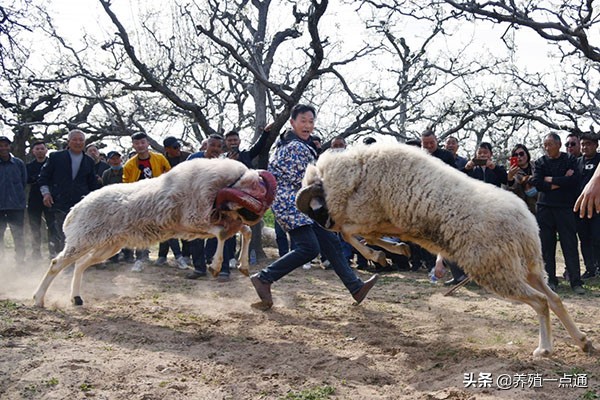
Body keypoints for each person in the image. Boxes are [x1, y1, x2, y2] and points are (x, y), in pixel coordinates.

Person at [250, 104, 379, 310]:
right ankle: (264, 278)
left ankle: (356, 287)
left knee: (331, 242)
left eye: (311, 121)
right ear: (292, 123)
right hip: (292, 204)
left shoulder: (301, 144)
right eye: (303, 121)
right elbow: (308, 180)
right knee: (309, 248)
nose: (308, 125)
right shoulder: (296, 147)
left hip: (305, 203)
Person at [529, 132, 584, 294]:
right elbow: (538, 183)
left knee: (570, 244)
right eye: (545, 145)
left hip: (565, 208)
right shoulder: (540, 162)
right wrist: (561, 180)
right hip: (545, 207)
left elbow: (574, 181)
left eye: (550, 145)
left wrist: (550, 179)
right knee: (546, 245)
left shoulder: (570, 160)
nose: (547, 148)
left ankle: (576, 281)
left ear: (559, 145)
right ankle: (551, 280)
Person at [39, 129, 99, 257]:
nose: (78, 142)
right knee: (63, 231)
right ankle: (63, 259)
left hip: (81, 203)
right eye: (75, 139)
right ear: (68, 141)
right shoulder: (56, 157)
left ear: (84, 142)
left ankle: (80, 259)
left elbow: (92, 184)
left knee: (81, 232)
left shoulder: (89, 161)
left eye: (81, 140)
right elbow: (43, 177)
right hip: (59, 201)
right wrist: (46, 194)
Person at [186, 134, 235, 282]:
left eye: (218, 147)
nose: (215, 149)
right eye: (212, 145)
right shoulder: (193, 159)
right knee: (195, 237)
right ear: (206, 145)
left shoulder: (224, 165)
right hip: (195, 204)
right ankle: (199, 268)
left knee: (220, 235)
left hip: (216, 206)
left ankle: (223, 269)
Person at [122, 132, 171, 272]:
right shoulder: (130, 164)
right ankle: (141, 258)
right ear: (133, 145)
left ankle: (165, 256)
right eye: (136, 143)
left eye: (142, 142)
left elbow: (169, 174)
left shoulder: (160, 158)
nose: (140, 146)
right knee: (140, 229)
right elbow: (126, 184)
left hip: (159, 198)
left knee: (166, 225)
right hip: (140, 201)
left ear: (148, 143)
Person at [156, 136, 191, 269]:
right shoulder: (160, 159)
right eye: (175, 147)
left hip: (185, 196)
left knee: (184, 225)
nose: (178, 149)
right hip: (165, 196)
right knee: (166, 226)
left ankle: (186, 254)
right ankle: (162, 255)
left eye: (179, 146)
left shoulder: (188, 157)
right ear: (167, 149)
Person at [26, 140, 56, 260]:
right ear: (33, 151)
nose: (40, 151)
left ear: (46, 150)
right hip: (34, 200)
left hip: (50, 199)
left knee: (52, 227)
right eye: (37, 149)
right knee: (35, 227)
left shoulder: (51, 165)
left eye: (42, 148)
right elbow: (27, 180)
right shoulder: (29, 166)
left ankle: (52, 251)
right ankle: (36, 253)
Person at [576, 133, 600, 279]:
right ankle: (589, 268)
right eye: (583, 144)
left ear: (596, 145)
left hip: (598, 208)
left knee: (598, 238)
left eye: (588, 144)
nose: (585, 147)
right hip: (581, 209)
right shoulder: (577, 162)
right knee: (584, 239)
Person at [0, 136, 27, 264]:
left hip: (16, 206)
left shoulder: (19, 163)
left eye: (5, 145)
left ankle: (20, 262)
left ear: (9, 146)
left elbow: (23, 182)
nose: (3, 148)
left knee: (19, 236)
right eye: (1, 145)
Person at [505, 144, 538, 214]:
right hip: (523, 211)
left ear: (527, 154)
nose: (519, 157)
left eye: (521, 154)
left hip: (541, 207)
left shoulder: (537, 166)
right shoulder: (511, 173)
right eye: (515, 155)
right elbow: (509, 192)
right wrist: (510, 178)